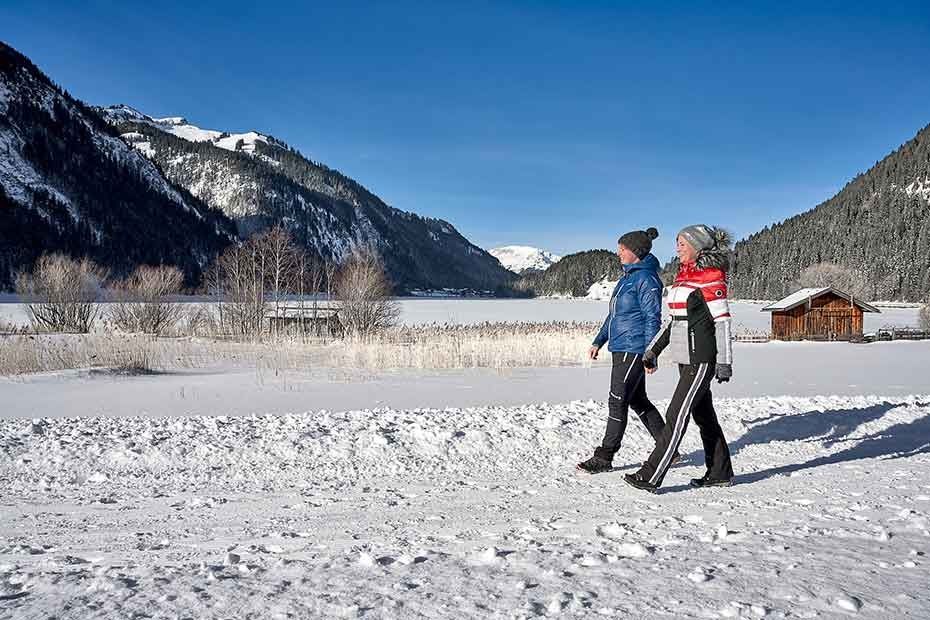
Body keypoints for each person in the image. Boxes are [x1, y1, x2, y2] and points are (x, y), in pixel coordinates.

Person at [623, 224, 735, 493]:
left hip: (702, 357)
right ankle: (720, 471)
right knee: (703, 415)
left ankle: (650, 475)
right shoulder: (684, 277)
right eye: (676, 243)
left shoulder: (710, 276)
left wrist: (725, 361)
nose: (677, 248)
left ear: (697, 246)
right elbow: (673, 322)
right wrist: (653, 350)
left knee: (676, 414)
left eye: (682, 244)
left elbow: (722, 322)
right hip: (685, 356)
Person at [577, 227, 666, 474]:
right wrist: (598, 341)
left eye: (622, 250)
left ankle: (604, 457)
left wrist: (651, 352)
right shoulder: (627, 278)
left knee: (617, 401)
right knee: (638, 400)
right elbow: (613, 316)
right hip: (621, 346)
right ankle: (668, 447)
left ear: (635, 252)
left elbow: (653, 319)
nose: (618, 254)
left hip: (634, 348)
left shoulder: (647, 279)